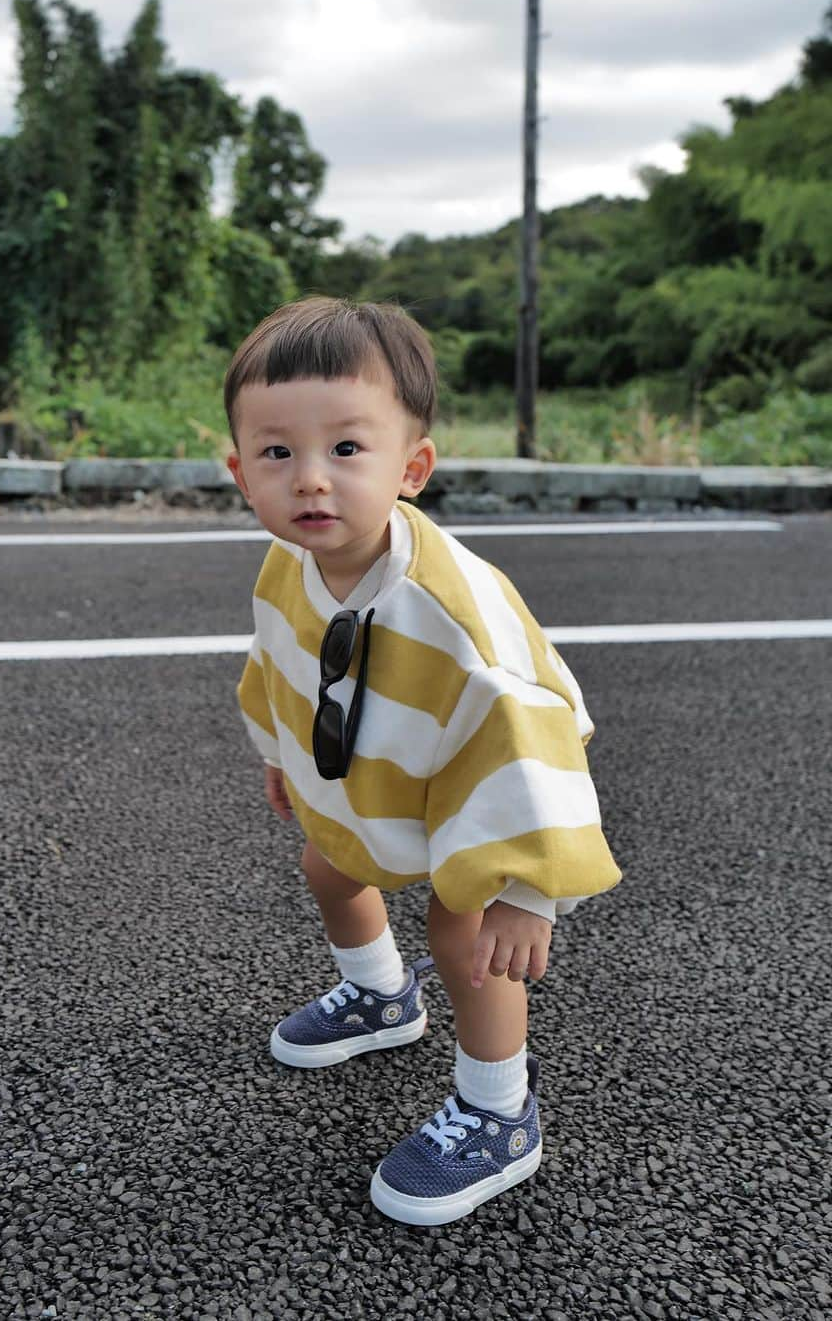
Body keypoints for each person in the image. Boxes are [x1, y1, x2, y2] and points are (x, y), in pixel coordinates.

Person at [225, 297, 622, 1227]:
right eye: (278, 453)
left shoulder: (459, 622)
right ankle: (380, 995)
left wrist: (530, 889)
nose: (311, 481)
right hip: (374, 768)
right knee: (328, 861)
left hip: (475, 790)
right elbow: (280, 664)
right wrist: (289, 756)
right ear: (241, 472)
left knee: (467, 936)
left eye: (347, 451)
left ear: (413, 467)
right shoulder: (290, 564)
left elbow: (535, 737)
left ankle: (499, 1109)